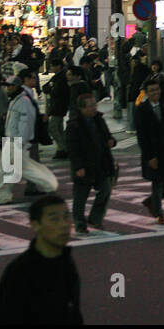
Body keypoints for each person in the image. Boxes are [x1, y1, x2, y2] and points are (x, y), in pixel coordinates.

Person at [0, 194, 83, 325]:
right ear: (35, 225)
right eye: (54, 219)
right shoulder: (20, 271)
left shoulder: (66, 262)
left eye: (66, 217)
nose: (64, 225)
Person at [64, 93, 117, 234]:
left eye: (95, 104)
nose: (94, 108)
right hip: (85, 165)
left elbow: (108, 135)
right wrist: (78, 166)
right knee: (80, 197)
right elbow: (72, 148)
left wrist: (111, 141)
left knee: (105, 189)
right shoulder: (74, 124)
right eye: (91, 105)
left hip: (101, 163)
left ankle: (95, 217)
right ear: (82, 108)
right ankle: (80, 223)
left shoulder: (98, 119)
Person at [134, 76, 164, 224]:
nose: (156, 92)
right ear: (147, 93)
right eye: (152, 90)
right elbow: (142, 135)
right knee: (158, 183)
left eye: (157, 89)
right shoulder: (141, 110)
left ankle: (151, 202)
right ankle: (159, 213)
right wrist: (149, 156)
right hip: (153, 153)